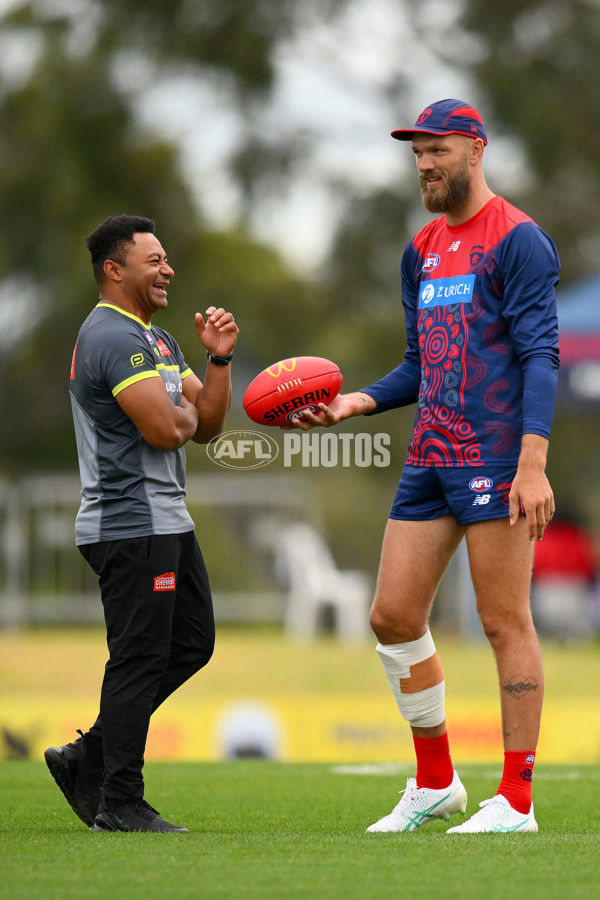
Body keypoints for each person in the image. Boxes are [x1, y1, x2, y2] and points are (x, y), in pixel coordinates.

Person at [289, 99, 560, 833]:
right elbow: (420, 363)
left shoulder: (519, 241)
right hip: (431, 452)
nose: (424, 165)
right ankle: (437, 783)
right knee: (392, 615)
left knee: (504, 622)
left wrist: (532, 464)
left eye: (436, 151)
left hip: (498, 456)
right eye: (416, 155)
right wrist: (356, 403)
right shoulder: (422, 248)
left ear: (474, 149)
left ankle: (517, 800)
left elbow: (541, 353)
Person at [44, 215, 239, 832]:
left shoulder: (156, 340)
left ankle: (90, 755)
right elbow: (165, 428)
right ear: (114, 269)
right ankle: (120, 803)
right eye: (153, 260)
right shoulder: (109, 336)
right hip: (129, 525)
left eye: (165, 259)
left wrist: (217, 361)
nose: (167, 269)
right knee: (138, 658)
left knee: (192, 642)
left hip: (165, 520)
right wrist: (181, 412)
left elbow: (204, 426)